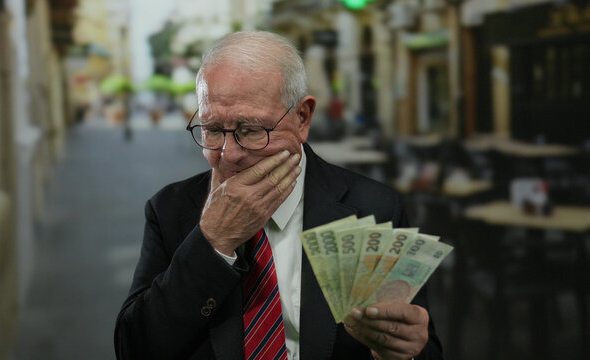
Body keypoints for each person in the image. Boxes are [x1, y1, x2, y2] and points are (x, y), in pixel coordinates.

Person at [114, 31, 443, 360]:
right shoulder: (170, 210)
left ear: (303, 118)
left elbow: (419, 348)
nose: (228, 154)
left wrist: (403, 352)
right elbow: (135, 348)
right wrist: (211, 241)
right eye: (213, 130)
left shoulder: (371, 208)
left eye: (252, 130)